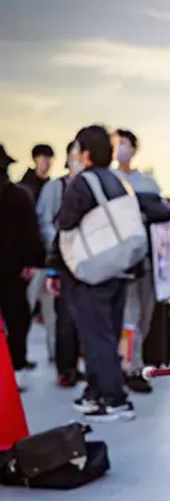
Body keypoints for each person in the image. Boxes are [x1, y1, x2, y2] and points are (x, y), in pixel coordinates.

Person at [48, 125, 135, 422]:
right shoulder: (117, 180)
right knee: (106, 334)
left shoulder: (83, 182)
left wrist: (54, 269)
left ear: (84, 153)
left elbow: (64, 223)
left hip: (90, 271)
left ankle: (114, 398)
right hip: (117, 266)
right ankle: (97, 391)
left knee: (96, 337)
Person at [113, 129, 163, 394]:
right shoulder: (111, 179)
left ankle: (134, 360)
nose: (120, 148)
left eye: (124, 143)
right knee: (129, 315)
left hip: (149, 260)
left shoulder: (147, 181)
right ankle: (130, 366)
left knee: (145, 313)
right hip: (124, 261)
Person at [37, 140, 83, 386]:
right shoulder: (56, 187)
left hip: (85, 263)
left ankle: (75, 365)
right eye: (74, 154)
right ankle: (65, 369)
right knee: (64, 317)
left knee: (81, 317)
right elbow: (45, 222)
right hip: (63, 261)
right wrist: (59, 247)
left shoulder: (89, 186)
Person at [0, 144, 45, 386]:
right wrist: (31, 261)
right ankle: (16, 366)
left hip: (13, 267)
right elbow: (30, 232)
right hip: (13, 268)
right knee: (17, 318)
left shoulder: (19, 195)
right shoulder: (18, 195)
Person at [20, 143, 56, 364]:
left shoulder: (53, 186)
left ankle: (55, 354)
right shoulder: (25, 188)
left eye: (49, 158)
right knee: (25, 310)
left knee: (52, 313)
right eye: (43, 157)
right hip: (32, 262)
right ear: (35, 159)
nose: (46, 162)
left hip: (49, 260)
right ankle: (20, 357)